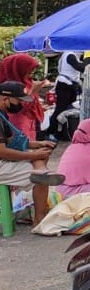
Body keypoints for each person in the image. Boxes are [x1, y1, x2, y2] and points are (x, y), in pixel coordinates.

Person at [0, 81, 64, 224]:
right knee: (41, 179)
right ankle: (39, 219)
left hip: (3, 160)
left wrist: (38, 145)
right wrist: (34, 155)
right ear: (5, 98)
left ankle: (40, 169)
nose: (21, 104)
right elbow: (3, 152)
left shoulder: (2, 114)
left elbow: (11, 142)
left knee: (38, 155)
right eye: (19, 100)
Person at [46, 51, 90, 141]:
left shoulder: (68, 55)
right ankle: (50, 132)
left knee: (69, 110)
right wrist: (89, 60)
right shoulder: (70, 55)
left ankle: (63, 131)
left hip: (70, 85)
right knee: (60, 109)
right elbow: (80, 67)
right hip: (65, 85)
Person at [0, 54, 46, 142]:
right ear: (18, 68)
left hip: (29, 122)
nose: (30, 73)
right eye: (28, 70)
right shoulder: (9, 87)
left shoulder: (25, 81)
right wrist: (33, 92)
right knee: (21, 145)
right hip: (19, 123)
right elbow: (16, 108)